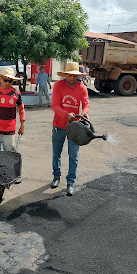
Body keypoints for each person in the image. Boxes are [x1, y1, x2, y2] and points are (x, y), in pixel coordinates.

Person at [50, 62, 90, 196]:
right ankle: (56, 176)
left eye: (75, 76)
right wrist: (66, 114)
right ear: (65, 75)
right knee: (57, 153)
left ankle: (70, 182)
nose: (72, 79)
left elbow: (86, 104)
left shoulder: (82, 88)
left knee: (74, 155)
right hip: (59, 125)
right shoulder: (58, 86)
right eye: (70, 76)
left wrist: (84, 112)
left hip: (75, 128)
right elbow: (54, 105)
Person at [0, 67, 25, 151]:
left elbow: (21, 109)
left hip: (9, 131)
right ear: (0, 78)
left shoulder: (16, 94)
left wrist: (22, 125)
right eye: (5, 80)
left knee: (9, 155)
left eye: (10, 81)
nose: (7, 83)